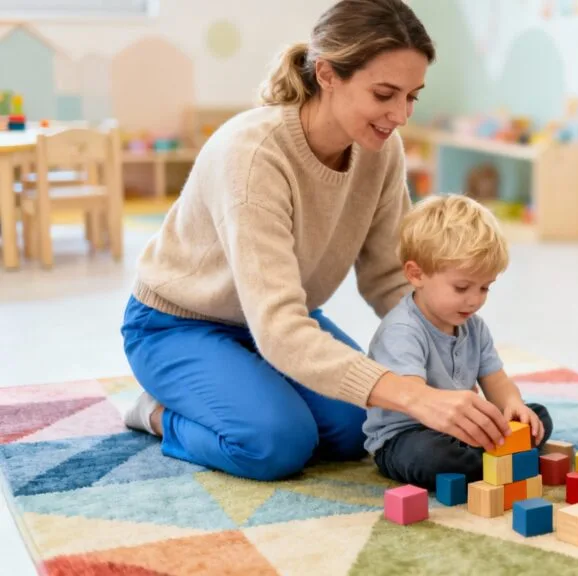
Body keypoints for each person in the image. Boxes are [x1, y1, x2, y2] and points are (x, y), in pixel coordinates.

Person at [119, 0, 512, 482]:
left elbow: (394, 277)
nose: (400, 115)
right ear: (327, 74)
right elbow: (280, 326)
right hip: (179, 324)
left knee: (356, 431)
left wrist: (447, 369)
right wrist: (415, 395)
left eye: (412, 96)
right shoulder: (253, 155)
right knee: (275, 445)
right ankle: (158, 414)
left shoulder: (381, 149)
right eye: (385, 94)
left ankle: (238, 389)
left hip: (279, 321)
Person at [364, 194, 552, 490]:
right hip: (407, 436)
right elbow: (412, 396)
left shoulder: (473, 327)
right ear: (416, 274)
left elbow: (497, 381)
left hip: (461, 428)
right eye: (462, 287)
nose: (475, 300)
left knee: (537, 416)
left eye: (485, 288)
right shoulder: (402, 330)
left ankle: (496, 456)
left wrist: (513, 404)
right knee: (431, 457)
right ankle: (498, 460)